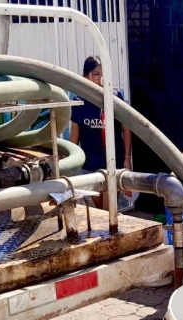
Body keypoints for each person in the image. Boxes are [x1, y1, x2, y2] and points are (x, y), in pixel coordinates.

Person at [69, 56, 134, 209]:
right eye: (96, 74)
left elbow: (126, 128)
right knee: (99, 211)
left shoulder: (114, 97)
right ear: (86, 76)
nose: (100, 78)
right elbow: (74, 137)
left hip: (113, 164)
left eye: (102, 74)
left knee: (109, 210)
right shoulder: (78, 102)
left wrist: (127, 158)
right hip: (89, 167)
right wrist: (71, 166)